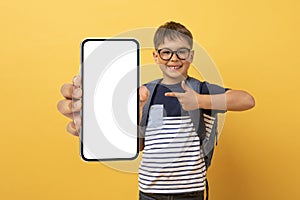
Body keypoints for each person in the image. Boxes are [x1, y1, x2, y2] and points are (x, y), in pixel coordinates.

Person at [57, 21, 255, 200]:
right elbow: (140, 145)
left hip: (190, 192)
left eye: (182, 52)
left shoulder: (201, 90)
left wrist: (199, 101)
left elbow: (246, 100)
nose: (174, 59)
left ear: (191, 56)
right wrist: (106, 130)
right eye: (166, 52)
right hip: (150, 192)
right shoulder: (145, 93)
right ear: (156, 57)